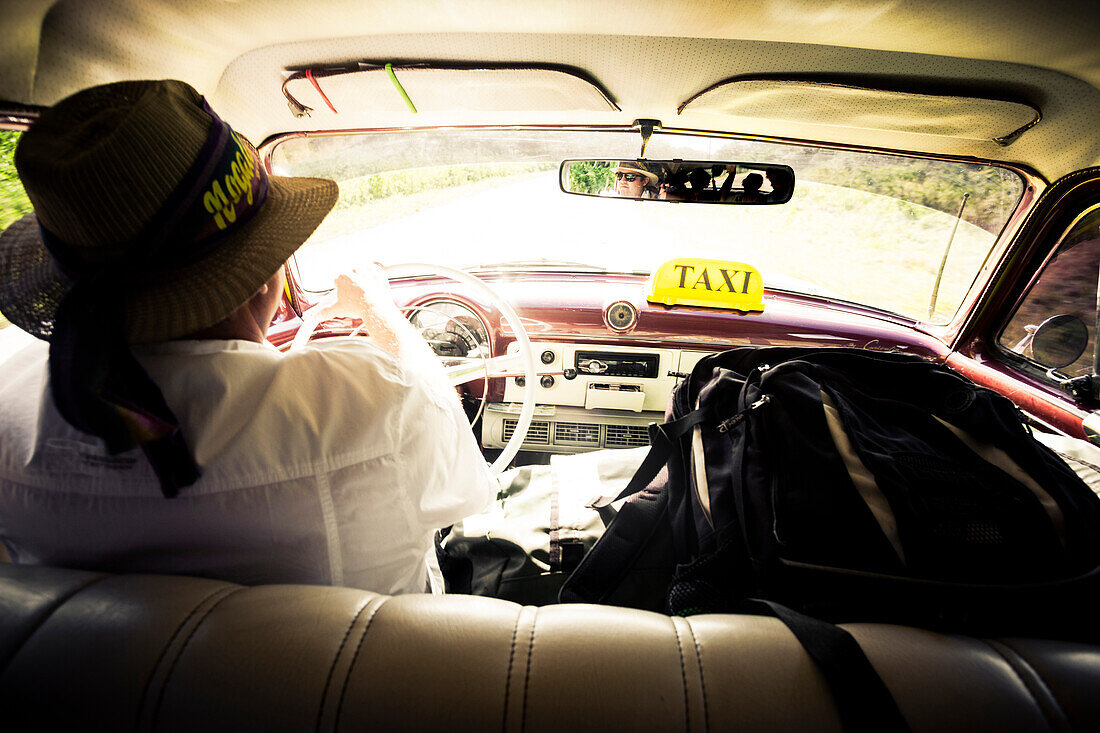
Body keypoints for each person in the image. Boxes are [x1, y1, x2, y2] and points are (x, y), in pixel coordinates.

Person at [0, 80, 495, 594]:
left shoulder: (8, 403)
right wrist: (375, 305)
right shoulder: (372, 399)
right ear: (262, 273)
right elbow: (467, 485)